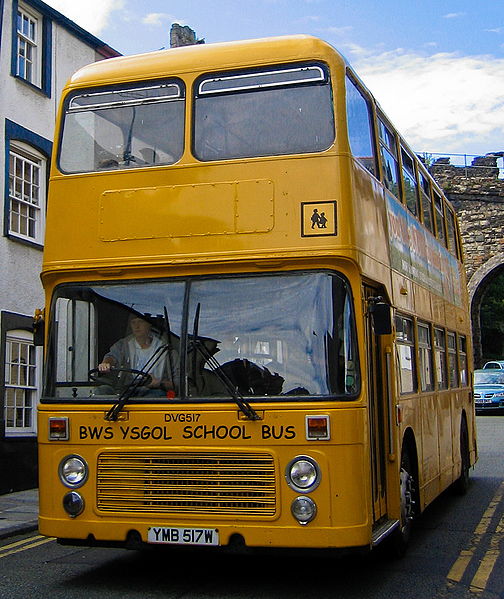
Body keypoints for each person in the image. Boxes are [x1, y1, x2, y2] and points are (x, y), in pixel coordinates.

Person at [98, 315, 178, 396]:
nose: (137, 326)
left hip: (153, 392)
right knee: (102, 390)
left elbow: (179, 384)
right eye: (133, 322)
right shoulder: (123, 345)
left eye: (140, 321)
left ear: (149, 324)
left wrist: (159, 383)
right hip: (126, 391)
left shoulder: (166, 350)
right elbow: (112, 357)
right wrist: (106, 363)